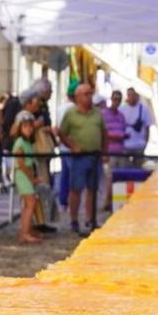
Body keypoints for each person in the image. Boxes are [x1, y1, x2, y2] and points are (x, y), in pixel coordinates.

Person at [57, 81, 106, 235]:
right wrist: (72, 145)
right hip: (79, 157)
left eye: (90, 93)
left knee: (92, 189)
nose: (89, 97)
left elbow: (104, 133)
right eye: (85, 94)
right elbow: (61, 132)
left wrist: (104, 152)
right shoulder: (70, 114)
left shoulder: (97, 113)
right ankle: (73, 220)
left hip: (95, 156)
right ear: (77, 97)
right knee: (75, 189)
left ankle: (90, 219)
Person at [10, 110, 47, 244]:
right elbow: (21, 163)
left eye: (30, 126)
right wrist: (32, 178)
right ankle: (24, 233)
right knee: (30, 204)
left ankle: (27, 230)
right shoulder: (20, 142)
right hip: (23, 176)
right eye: (25, 126)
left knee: (29, 204)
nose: (29, 129)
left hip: (26, 176)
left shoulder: (27, 143)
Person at [101, 90, 129, 215]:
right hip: (109, 150)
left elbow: (123, 130)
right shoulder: (104, 114)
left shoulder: (121, 116)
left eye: (119, 98)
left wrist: (123, 136)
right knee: (109, 177)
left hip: (120, 151)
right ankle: (107, 202)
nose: (117, 101)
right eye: (115, 98)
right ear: (111, 99)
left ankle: (116, 201)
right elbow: (103, 134)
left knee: (119, 177)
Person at [121, 86, 155, 167]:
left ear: (137, 96)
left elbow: (147, 127)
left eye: (134, 95)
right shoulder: (121, 109)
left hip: (139, 145)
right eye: (130, 95)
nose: (132, 97)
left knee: (139, 168)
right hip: (126, 145)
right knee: (126, 168)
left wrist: (145, 143)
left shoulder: (144, 109)